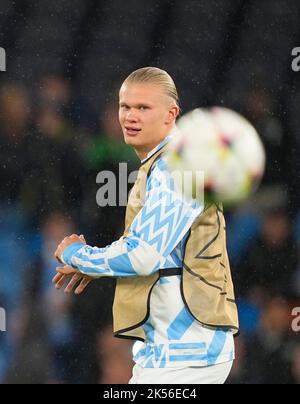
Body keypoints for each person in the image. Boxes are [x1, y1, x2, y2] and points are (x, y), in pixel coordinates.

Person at [53, 67, 239, 384]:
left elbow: (143, 256)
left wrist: (78, 255)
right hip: (171, 352)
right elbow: (151, 251)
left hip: (186, 353)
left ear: (171, 114)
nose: (130, 116)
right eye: (125, 107)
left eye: (143, 108)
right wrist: (99, 266)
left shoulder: (177, 167)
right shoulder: (162, 163)